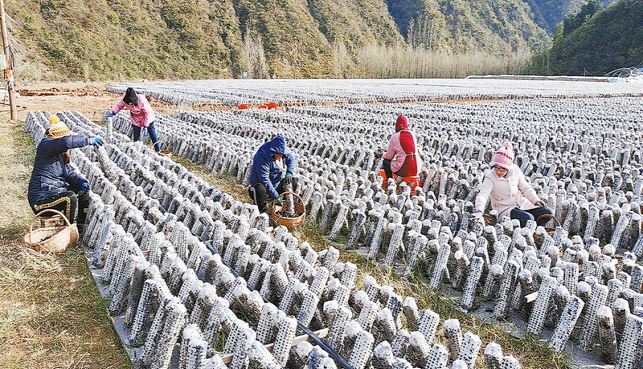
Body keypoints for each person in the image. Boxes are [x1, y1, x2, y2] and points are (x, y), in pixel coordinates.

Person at [28, 115, 103, 232]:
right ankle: (68, 230)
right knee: (69, 197)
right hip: (41, 200)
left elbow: (69, 174)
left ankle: (79, 227)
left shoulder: (60, 157)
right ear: (57, 139)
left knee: (82, 190)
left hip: (54, 193)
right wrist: (88, 141)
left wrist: (82, 182)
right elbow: (67, 142)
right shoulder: (46, 145)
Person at [474, 142, 551, 227]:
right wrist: (479, 210)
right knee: (528, 219)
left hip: (521, 204)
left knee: (548, 213)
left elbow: (525, 188)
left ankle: (533, 229)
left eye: (502, 169)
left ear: (508, 168)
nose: (498, 171)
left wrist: (536, 200)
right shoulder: (490, 177)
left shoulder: (515, 170)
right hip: (505, 209)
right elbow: (483, 194)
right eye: (496, 168)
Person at [248, 135, 297, 213]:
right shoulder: (262, 156)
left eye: (282, 155)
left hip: (275, 184)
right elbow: (264, 180)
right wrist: (275, 196)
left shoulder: (282, 153)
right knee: (259, 189)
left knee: (292, 181)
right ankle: (262, 210)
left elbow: (291, 159)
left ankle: (283, 206)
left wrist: (289, 172)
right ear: (273, 151)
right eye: (278, 154)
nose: (280, 156)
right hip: (262, 186)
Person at [106, 87, 161, 152]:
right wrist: (113, 112)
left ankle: (158, 150)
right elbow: (119, 105)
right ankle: (137, 150)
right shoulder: (125, 98)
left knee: (152, 133)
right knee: (136, 134)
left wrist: (146, 125)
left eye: (132, 103)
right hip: (135, 118)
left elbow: (147, 113)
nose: (130, 104)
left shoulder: (141, 100)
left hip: (146, 117)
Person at [381, 115, 423, 186]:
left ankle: (390, 182)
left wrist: (383, 155)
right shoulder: (412, 134)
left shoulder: (395, 137)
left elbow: (389, 156)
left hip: (404, 169)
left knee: (386, 162)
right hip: (417, 168)